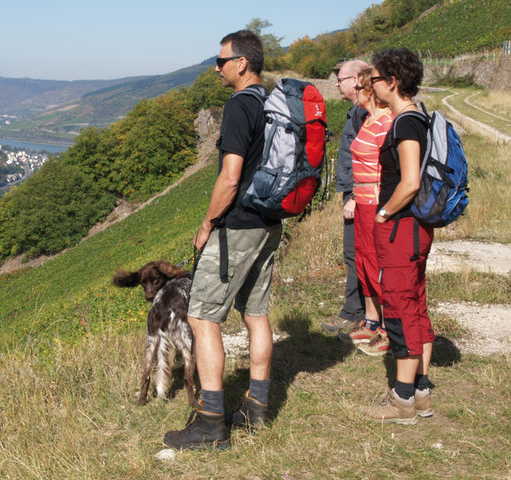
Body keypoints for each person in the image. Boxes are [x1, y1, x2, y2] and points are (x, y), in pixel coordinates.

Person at [162, 30, 283, 450]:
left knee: (203, 317)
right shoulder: (272, 103)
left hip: (239, 226)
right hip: (270, 222)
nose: (216, 68)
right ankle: (257, 406)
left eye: (221, 61)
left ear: (241, 63)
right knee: (256, 311)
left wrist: (207, 223)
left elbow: (230, 177)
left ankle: (211, 423)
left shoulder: (239, 107)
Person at [367, 47, 435, 424]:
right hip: (413, 231)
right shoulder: (416, 117)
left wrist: (383, 212)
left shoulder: (406, 123)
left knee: (399, 306)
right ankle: (421, 391)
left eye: (375, 78)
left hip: (401, 228)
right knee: (416, 303)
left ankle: (403, 399)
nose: (371, 85)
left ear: (392, 82)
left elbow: (409, 182)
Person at [337, 69, 393, 355]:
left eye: (358, 88)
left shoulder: (386, 122)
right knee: (363, 261)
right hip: (361, 202)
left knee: (376, 263)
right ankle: (371, 320)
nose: (352, 93)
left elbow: (389, 169)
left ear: (370, 90)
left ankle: (387, 329)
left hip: (374, 203)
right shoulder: (367, 119)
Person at [321, 59, 370, 333]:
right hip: (356, 192)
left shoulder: (364, 112)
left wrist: (355, 195)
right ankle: (361, 312)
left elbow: (368, 158)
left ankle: (355, 313)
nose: (337, 84)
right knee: (356, 253)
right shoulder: (357, 111)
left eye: (340, 79)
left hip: (359, 194)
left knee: (355, 253)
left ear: (355, 80)